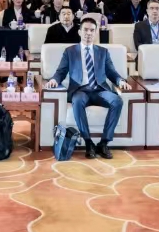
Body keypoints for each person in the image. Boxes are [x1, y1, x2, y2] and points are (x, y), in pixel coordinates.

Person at [46, 17, 132, 159]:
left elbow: (111, 72)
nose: (88, 33)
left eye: (92, 30)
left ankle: (104, 143)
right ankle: (88, 142)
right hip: (80, 90)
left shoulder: (103, 52)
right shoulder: (70, 51)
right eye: (85, 30)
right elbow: (61, 71)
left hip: (99, 90)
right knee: (77, 101)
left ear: (96, 33)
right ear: (79, 32)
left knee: (117, 101)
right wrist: (54, 80)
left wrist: (120, 81)